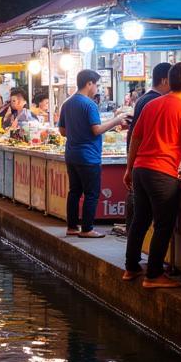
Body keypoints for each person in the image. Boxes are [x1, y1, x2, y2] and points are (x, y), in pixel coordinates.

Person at [123, 62, 181, 288]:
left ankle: (131, 268)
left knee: (140, 220)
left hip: (141, 169)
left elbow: (135, 139)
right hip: (162, 172)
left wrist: (130, 168)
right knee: (163, 224)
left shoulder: (152, 104)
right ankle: (153, 274)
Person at [58, 69, 128, 239]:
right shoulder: (89, 105)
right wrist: (117, 120)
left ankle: (72, 227)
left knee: (74, 191)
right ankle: (87, 228)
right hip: (88, 155)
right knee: (91, 193)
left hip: (72, 154)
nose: (97, 88)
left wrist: (77, 132)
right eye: (97, 84)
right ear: (89, 83)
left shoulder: (67, 103)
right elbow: (96, 130)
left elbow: (62, 131)